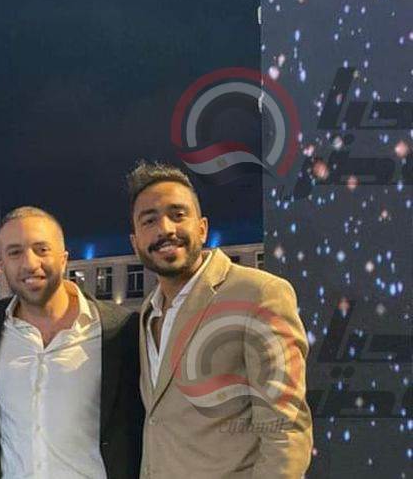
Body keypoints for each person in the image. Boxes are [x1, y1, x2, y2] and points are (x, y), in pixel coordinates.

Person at [126, 161, 312, 478]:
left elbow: (286, 431)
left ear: (202, 228)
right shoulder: (148, 312)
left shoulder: (259, 293)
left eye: (177, 214)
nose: (165, 229)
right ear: (135, 242)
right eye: (149, 220)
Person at [0, 206, 143, 479]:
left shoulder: (119, 329)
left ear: (64, 259)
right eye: (15, 252)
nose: (30, 263)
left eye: (41, 249)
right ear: (2, 266)